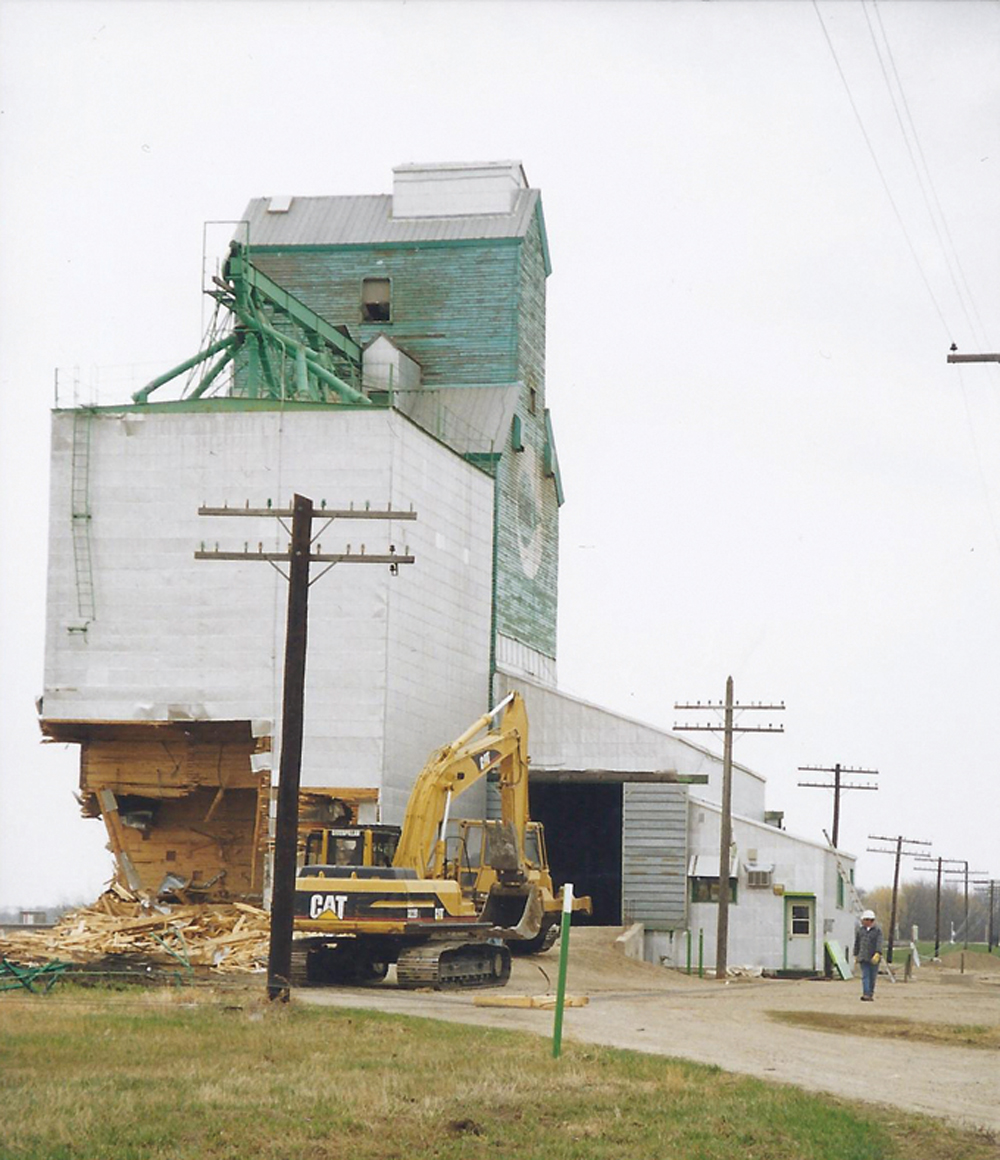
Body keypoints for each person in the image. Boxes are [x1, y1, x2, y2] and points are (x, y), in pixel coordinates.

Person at [853, 909, 884, 1001]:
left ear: (869, 920)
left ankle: (870, 993)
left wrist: (878, 953)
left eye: (864, 920)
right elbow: (857, 943)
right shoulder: (860, 930)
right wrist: (856, 954)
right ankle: (866, 994)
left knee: (872, 977)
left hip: (874, 957)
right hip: (863, 957)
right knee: (865, 976)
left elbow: (879, 942)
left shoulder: (878, 931)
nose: (862, 922)